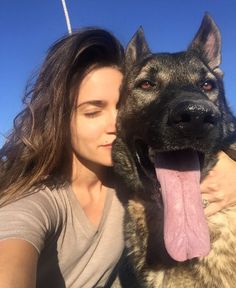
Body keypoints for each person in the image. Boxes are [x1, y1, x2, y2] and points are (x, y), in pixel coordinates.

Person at [0, 27, 236, 288]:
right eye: (92, 111)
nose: (117, 122)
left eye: (120, 105)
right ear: (59, 121)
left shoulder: (131, 181)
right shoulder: (37, 204)